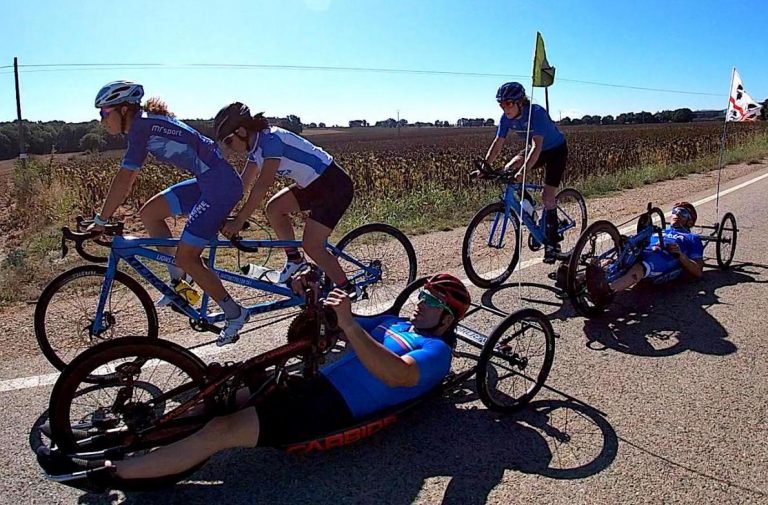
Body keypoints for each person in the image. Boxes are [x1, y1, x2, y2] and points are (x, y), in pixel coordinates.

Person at [37, 273, 472, 491]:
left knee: (222, 430)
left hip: (331, 405)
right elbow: (340, 326)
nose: (419, 304)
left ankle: (109, 473)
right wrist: (316, 301)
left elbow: (397, 376)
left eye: (431, 302)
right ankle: (119, 434)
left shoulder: (437, 353)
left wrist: (350, 328)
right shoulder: (398, 320)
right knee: (215, 395)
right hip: (310, 378)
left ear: (449, 316)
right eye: (420, 296)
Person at [88, 81, 249, 346]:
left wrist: (101, 219)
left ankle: (235, 312)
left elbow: (124, 181)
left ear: (125, 109)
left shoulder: (142, 127)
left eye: (105, 112)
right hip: (209, 180)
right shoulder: (145, 124)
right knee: (150, 213)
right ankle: (179, 285)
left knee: (188, 256)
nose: (101, 119)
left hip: (219, 186)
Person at [212, 103, 357, 302]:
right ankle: (295, 260)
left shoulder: (271, 140)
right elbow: (243, 183)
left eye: (229, 141)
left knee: (312, 245)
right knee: (274, 209)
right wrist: (220, 211)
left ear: (242, 131)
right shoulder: (255, 147)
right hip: (312, 185)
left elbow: (261, 185)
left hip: (333, 185)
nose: (229, 147)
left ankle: (349, 289)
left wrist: (239, 221)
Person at [482, 81, 568, 263]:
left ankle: (553, 244)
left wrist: (524, 171)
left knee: (547, 196)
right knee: (508, 170)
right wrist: (484, 167)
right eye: (501, 104)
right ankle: (529, 207)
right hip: (534, 149)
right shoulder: (505, 119)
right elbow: (497, 144)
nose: (504, 108)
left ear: (520, 101)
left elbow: (537, 146)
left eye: (508, 103)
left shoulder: (536, 113)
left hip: (555, 150)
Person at [586, 202, 704, 305]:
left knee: (640, 267)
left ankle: (607, 292)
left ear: (690, 222)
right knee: (612, 262)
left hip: (664, 258)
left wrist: (681, 255)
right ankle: (576, 281)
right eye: (675, 211)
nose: (676, 215)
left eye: (682, 213)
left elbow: (698, 271)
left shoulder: (692, 237)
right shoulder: (661, 230)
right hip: (643, 251)